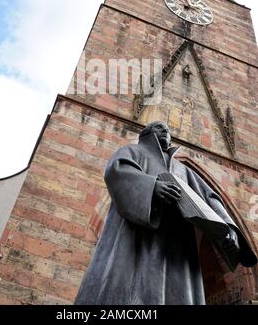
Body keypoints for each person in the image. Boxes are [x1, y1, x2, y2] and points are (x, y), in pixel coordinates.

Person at [75, 121, 257, 305]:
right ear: (148, 133)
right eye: (160, 128)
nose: (166, 132)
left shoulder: (182, 170)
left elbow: (210, 197)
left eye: (169, 130)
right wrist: (152, 186)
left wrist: (228, 228)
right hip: (139, 238)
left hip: (177, 245)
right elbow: (117, 171)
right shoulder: (133, 151)